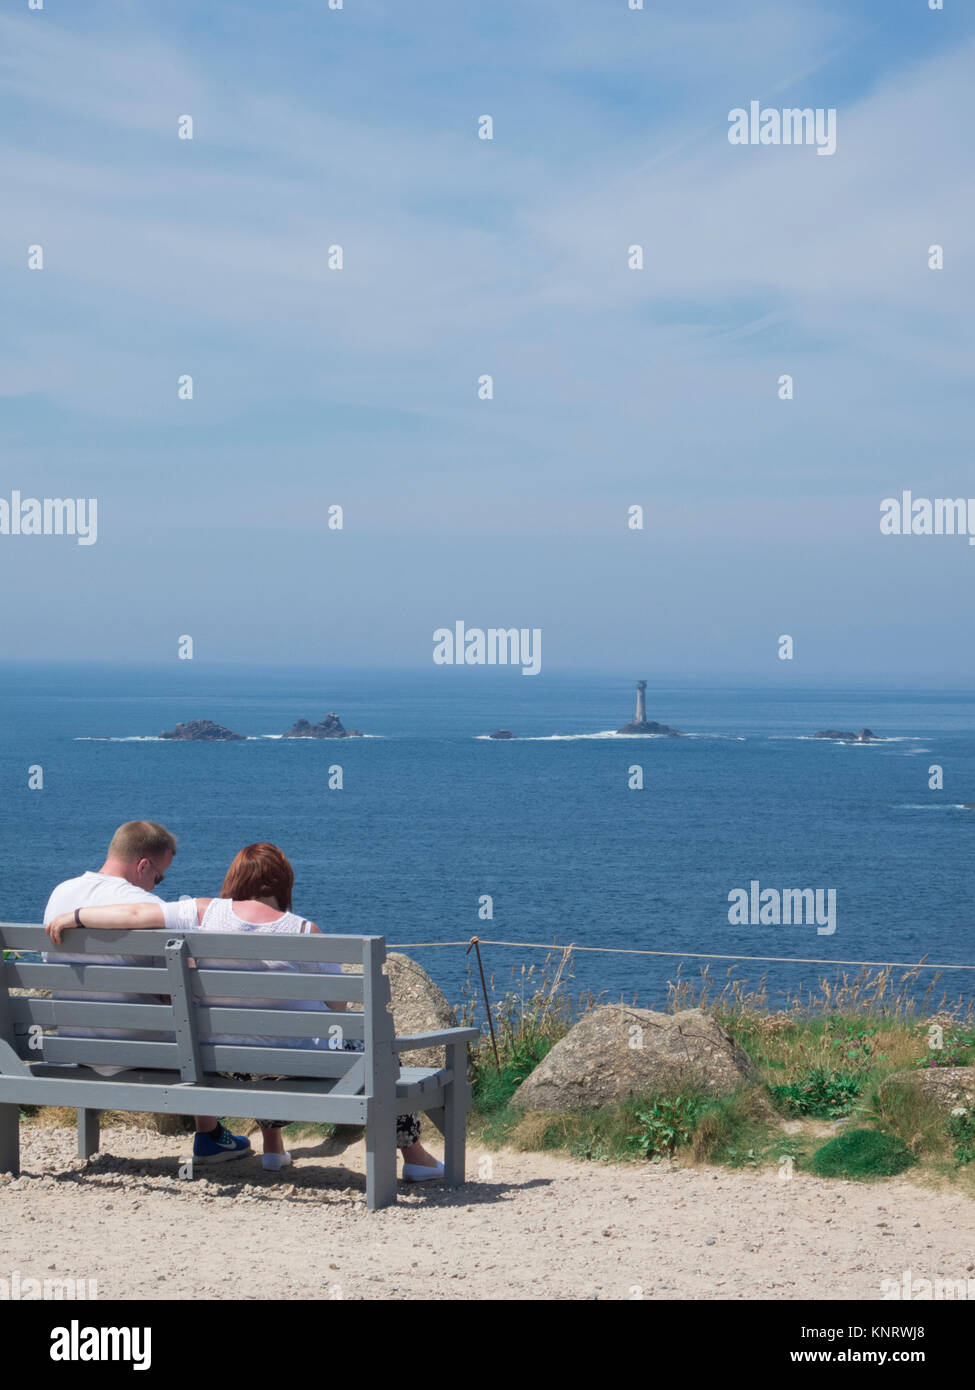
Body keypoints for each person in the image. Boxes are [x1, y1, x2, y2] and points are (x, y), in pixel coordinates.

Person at [47, 842, 444, 1181]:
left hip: (221, 1063)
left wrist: (77, 917)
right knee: (377, 1057)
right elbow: (336, 1007)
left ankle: (273, 1145)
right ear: (283, 883)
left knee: (260, 1044)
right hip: (295, 1062)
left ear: (236, 880)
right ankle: (415, 1159)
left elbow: (133, 915)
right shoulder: (304, 931)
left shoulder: (201, 913)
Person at [43, 821, 252, 1165]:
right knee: (197, 1013)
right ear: (143, 865)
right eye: (159, 877)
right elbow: (176, 992)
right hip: (136, 1049)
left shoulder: (60, 894)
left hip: (75, 1043)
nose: (157, 884)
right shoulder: (141, 905)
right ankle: (209, 1134)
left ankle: (210, 1133)